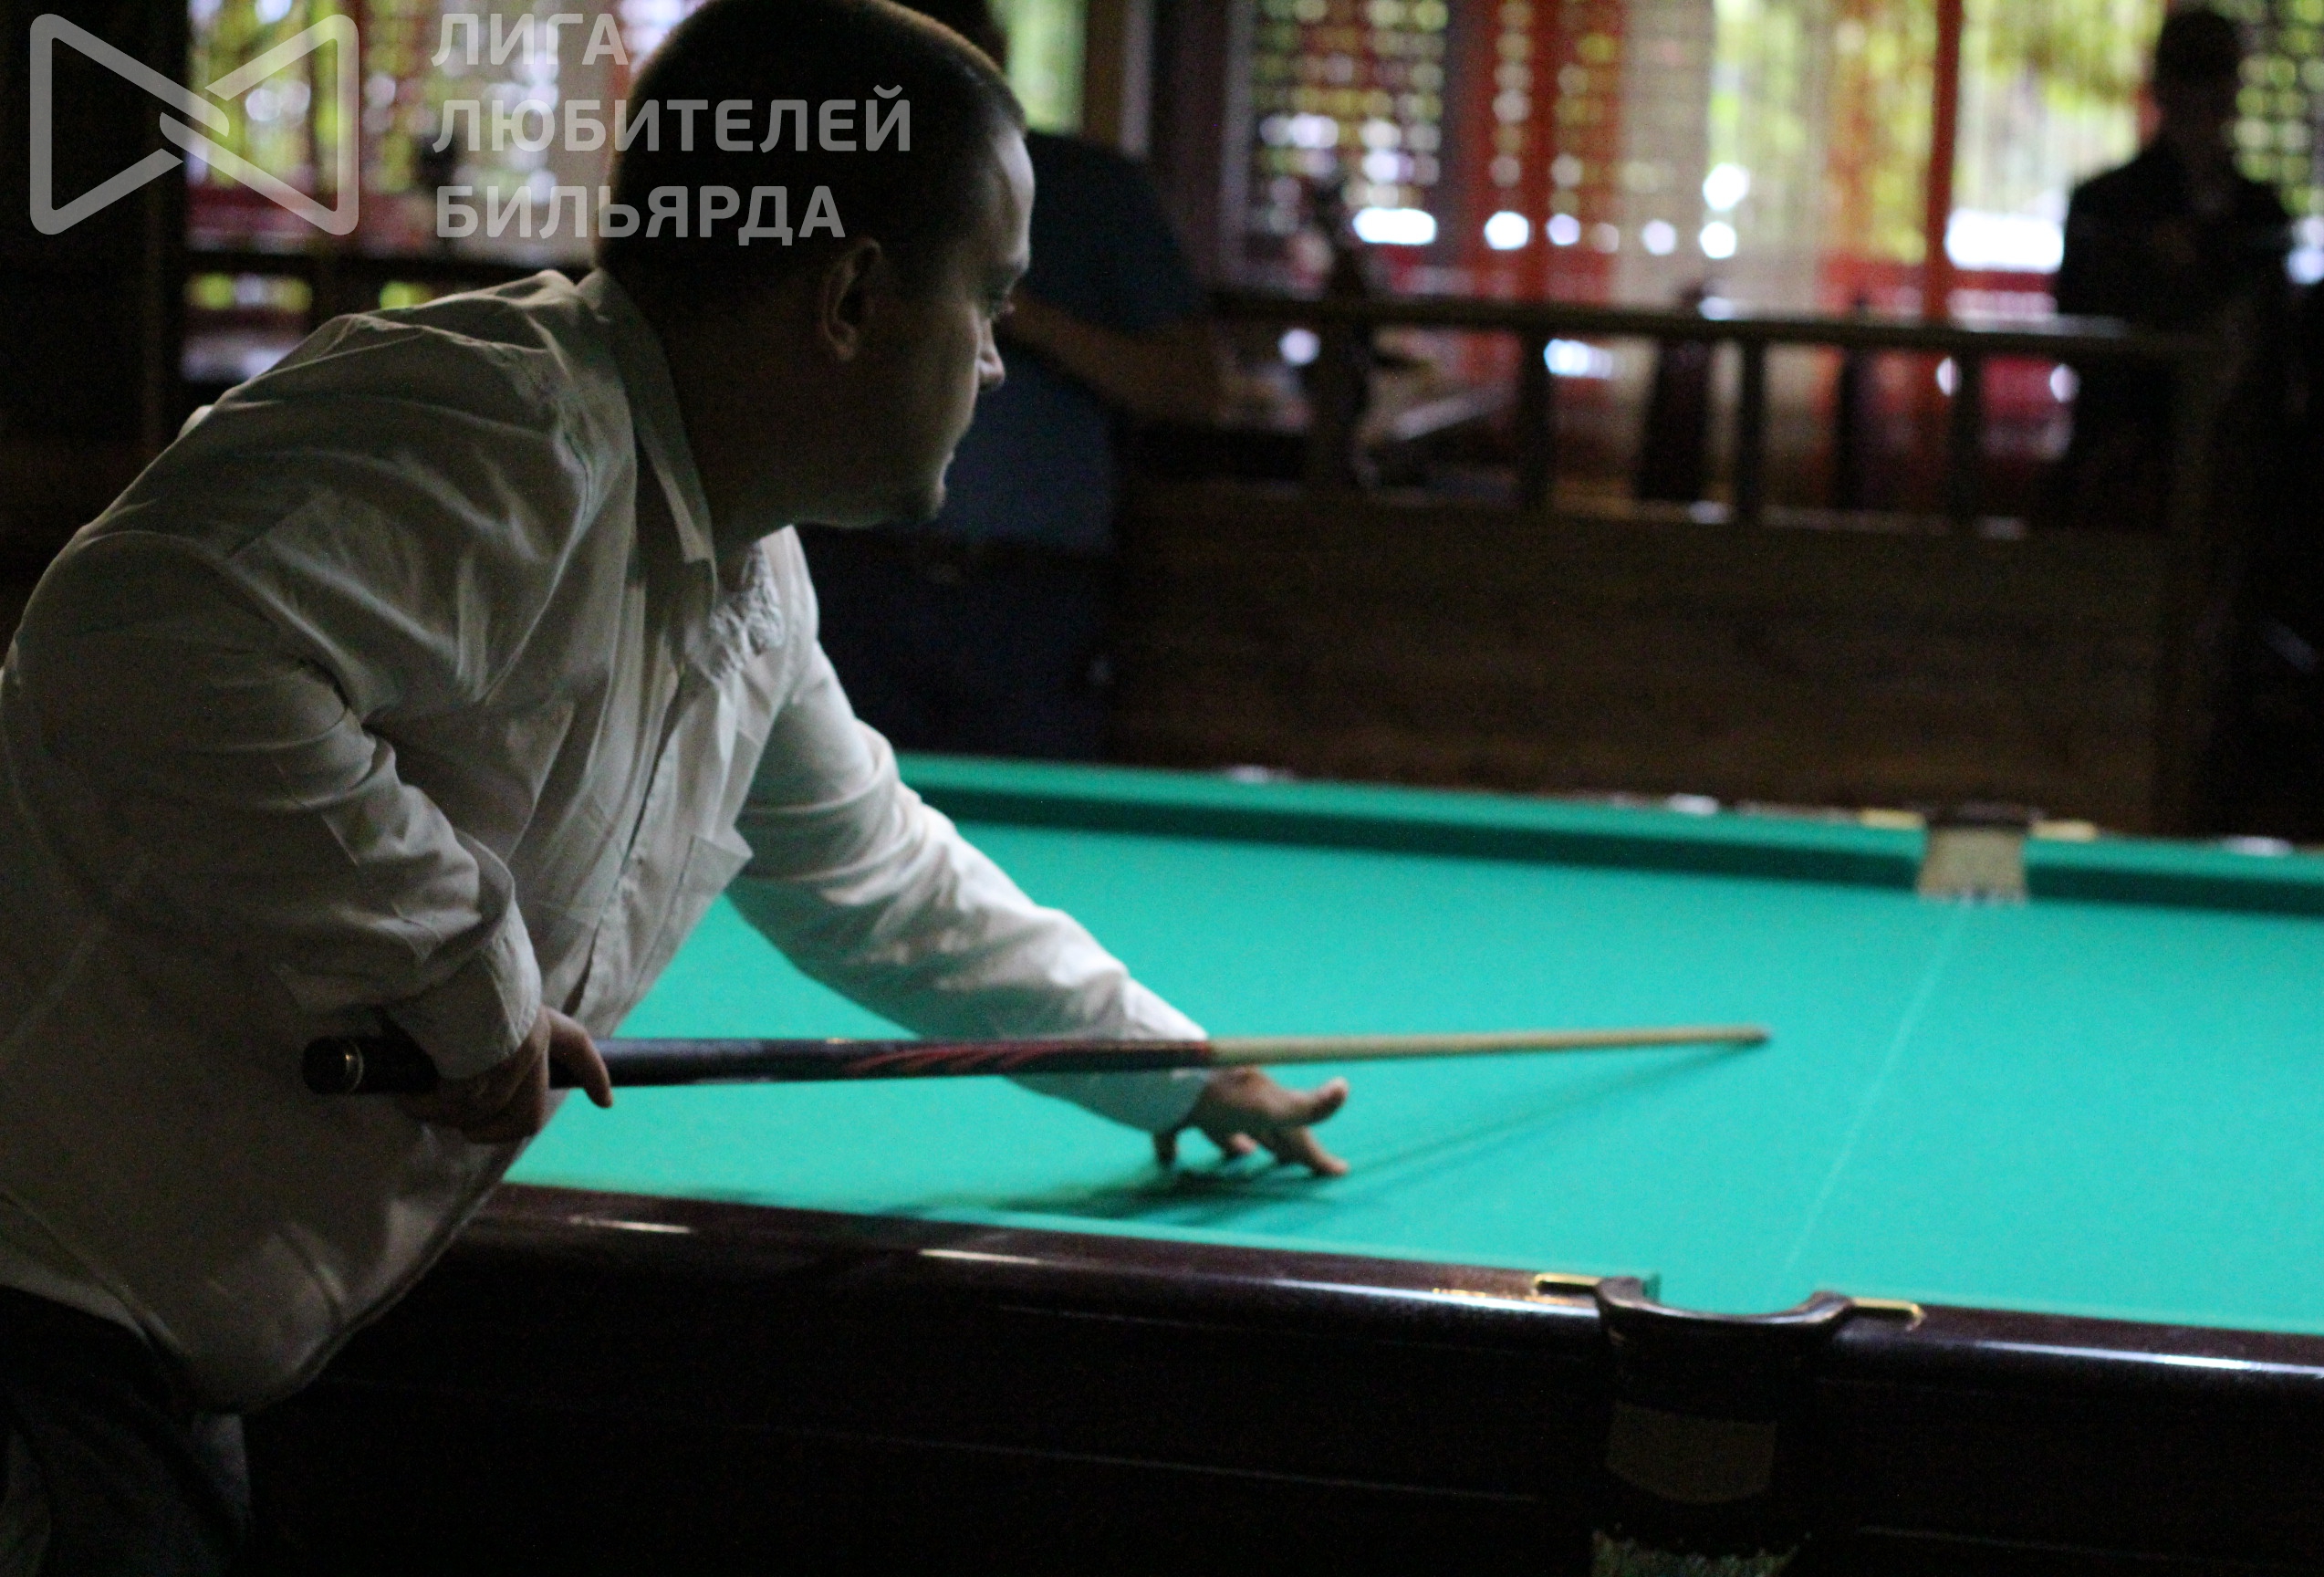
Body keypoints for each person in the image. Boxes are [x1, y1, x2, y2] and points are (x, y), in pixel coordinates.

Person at [0, 3, 1343, 1569]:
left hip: (129, 1341)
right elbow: (131, 635)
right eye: (985, 301)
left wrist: (1167, 1064)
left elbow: (877, 873)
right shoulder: (506, 427)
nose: (991, 362)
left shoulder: (745, 563)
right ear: (852, 298)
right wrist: (458, 965)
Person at [797, 0, 1222, 760]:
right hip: (851, 577)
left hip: (1028, 596)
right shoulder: (824, 190)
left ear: (994, 51)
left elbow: (1192, 389)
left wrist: (1005, 310)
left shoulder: (1092, 191)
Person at [2051, 5, 2289, 530]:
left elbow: (2276, 348)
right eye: (2191, 77)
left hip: (2234, 478)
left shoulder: (2262, 216)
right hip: (2122, 468)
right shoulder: (2106, 207)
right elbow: (2077, 332)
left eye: (2212, 78)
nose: (2201, 99)